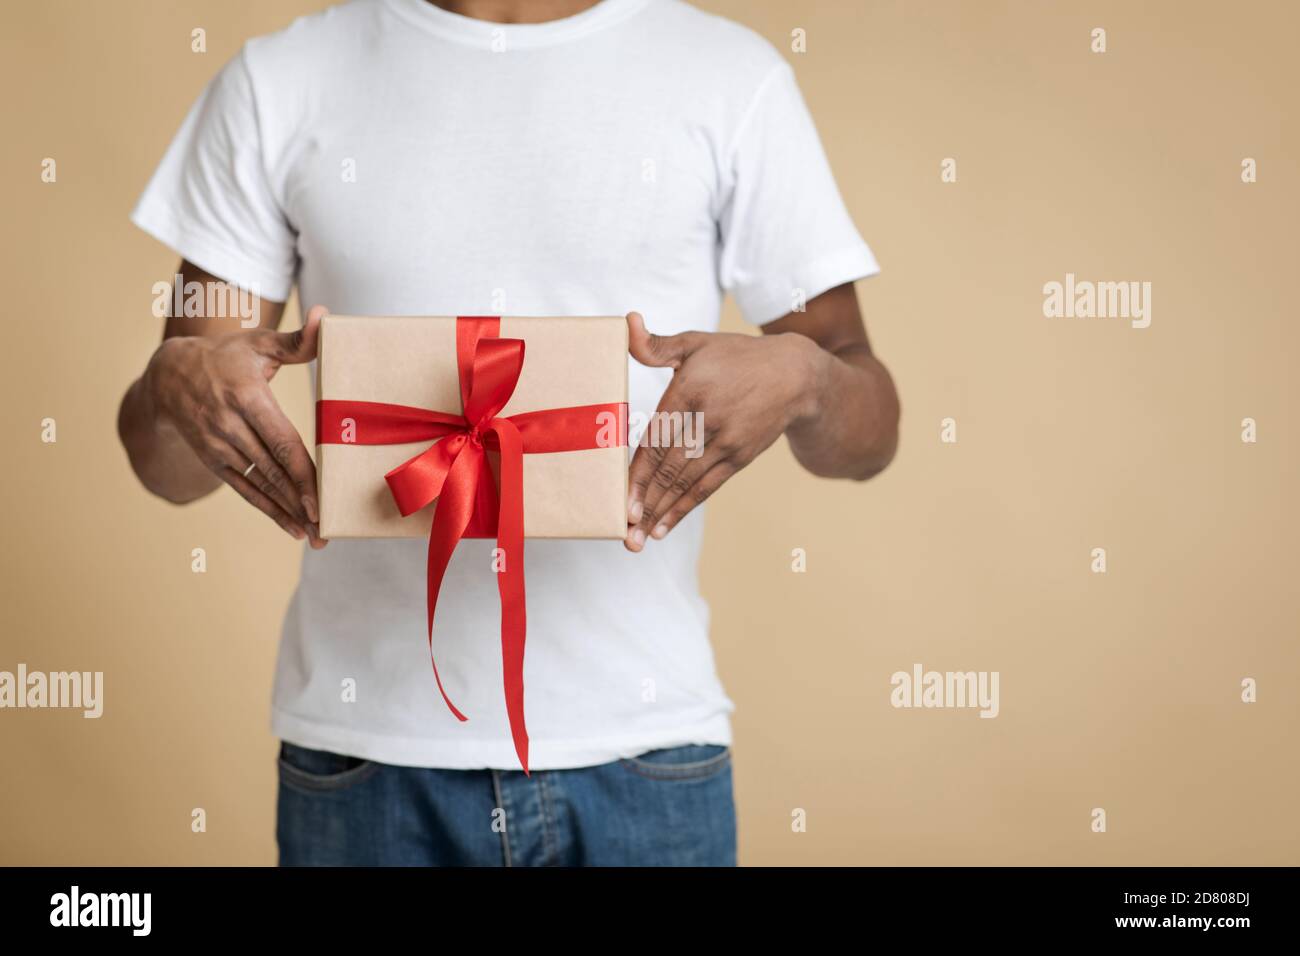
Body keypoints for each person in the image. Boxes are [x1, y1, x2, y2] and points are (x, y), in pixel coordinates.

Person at [118, 0, 899, 866]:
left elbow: (869, 428)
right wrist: (169, 388)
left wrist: (809, 378)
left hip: (648, 757)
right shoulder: (279, 80)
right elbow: (169, 467)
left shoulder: (731, 78)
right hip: (362, 761)